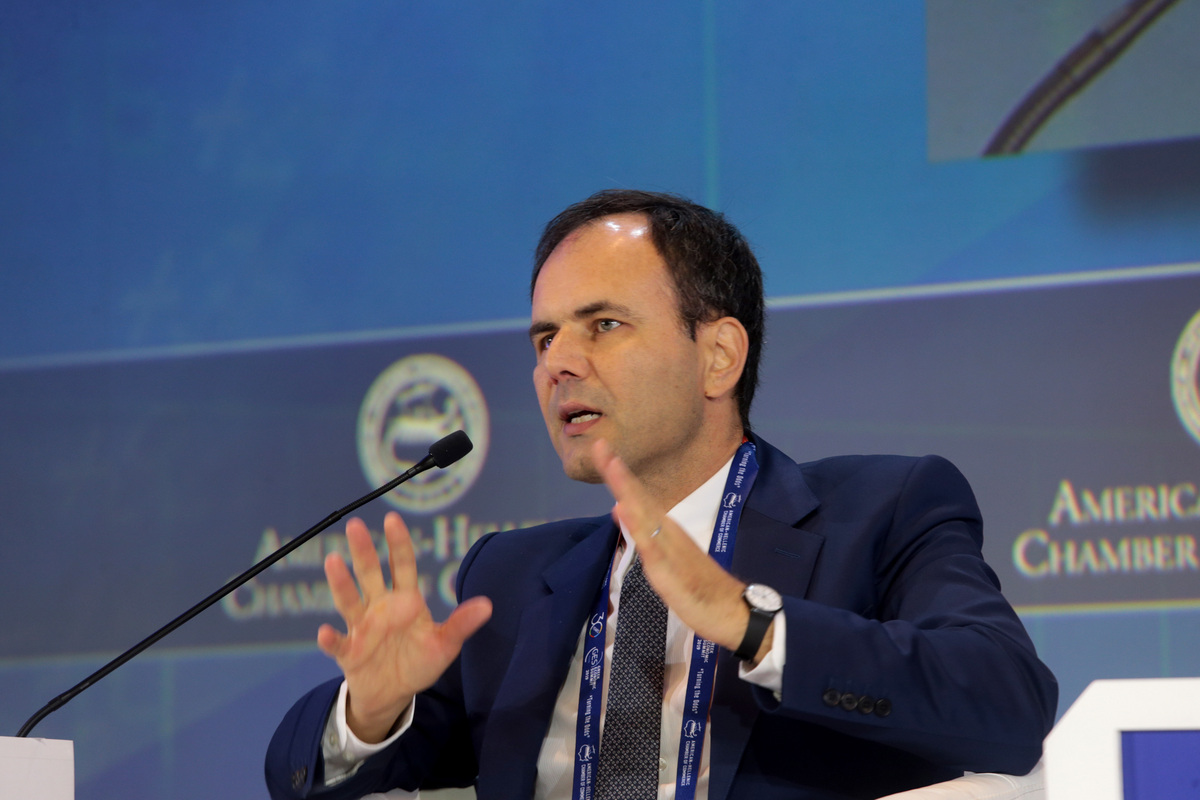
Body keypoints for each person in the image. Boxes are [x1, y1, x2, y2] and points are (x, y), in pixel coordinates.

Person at [265, 190, 1058, 800]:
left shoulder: (882, 510)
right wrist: (368, 712)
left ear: (719, 357)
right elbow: (300, 776)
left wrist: (752, 624)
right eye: (545, 338)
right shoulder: (511, 579)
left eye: (604, 325)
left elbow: (1008, 705)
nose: (558, 364)